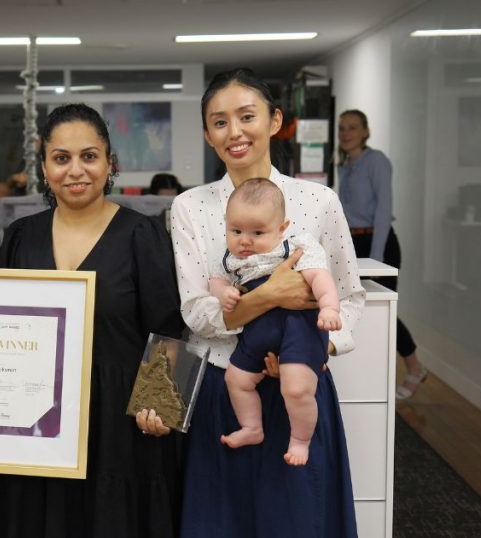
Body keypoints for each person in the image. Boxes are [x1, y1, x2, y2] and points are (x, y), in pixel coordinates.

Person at [0, 103, 186, 538]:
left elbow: (169, 330)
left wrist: (161, 405)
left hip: (120, 428)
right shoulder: (21, 236)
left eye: (89, 156)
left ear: (111, 163)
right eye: (62, 158)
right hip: (34, 424)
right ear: (44, 166)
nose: (76, 170)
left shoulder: (142, 234)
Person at [167, 68, 365, 537]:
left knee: (298, 522)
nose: (234, 132)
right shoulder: (190, 208)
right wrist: (271, 296)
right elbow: (196, 311)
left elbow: (350, 296)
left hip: (302, 388)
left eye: (246, 116)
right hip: (225, 387)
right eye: (219, 121)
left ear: (275, 120)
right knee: (222, 524)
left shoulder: (317, 201)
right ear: (207, 133)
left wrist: (318, 350)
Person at [208, 177, 341, 466]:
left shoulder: (296, 248)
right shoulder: (231, 259)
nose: (245, 240)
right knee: (236, 379)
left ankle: (301, 440)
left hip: (298, 329)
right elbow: (215, 282)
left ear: (282, 228)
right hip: (257, 332)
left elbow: (321, 277)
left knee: (295, 388)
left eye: (257, 232)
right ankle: (252, 427)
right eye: (236, 230)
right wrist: (225, 293)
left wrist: (329, 308)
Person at [336, 109, 426, 399]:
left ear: (365, 131)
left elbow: (384, 211)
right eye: (341, 128)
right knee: (358, 309)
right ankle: (371, 374)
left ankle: (414, 367)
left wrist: (374, 261)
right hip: (354, 244)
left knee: (383, 310)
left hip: (379, 243)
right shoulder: (344, 166)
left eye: (352, 127)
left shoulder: (377, 162)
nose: (346, 133)